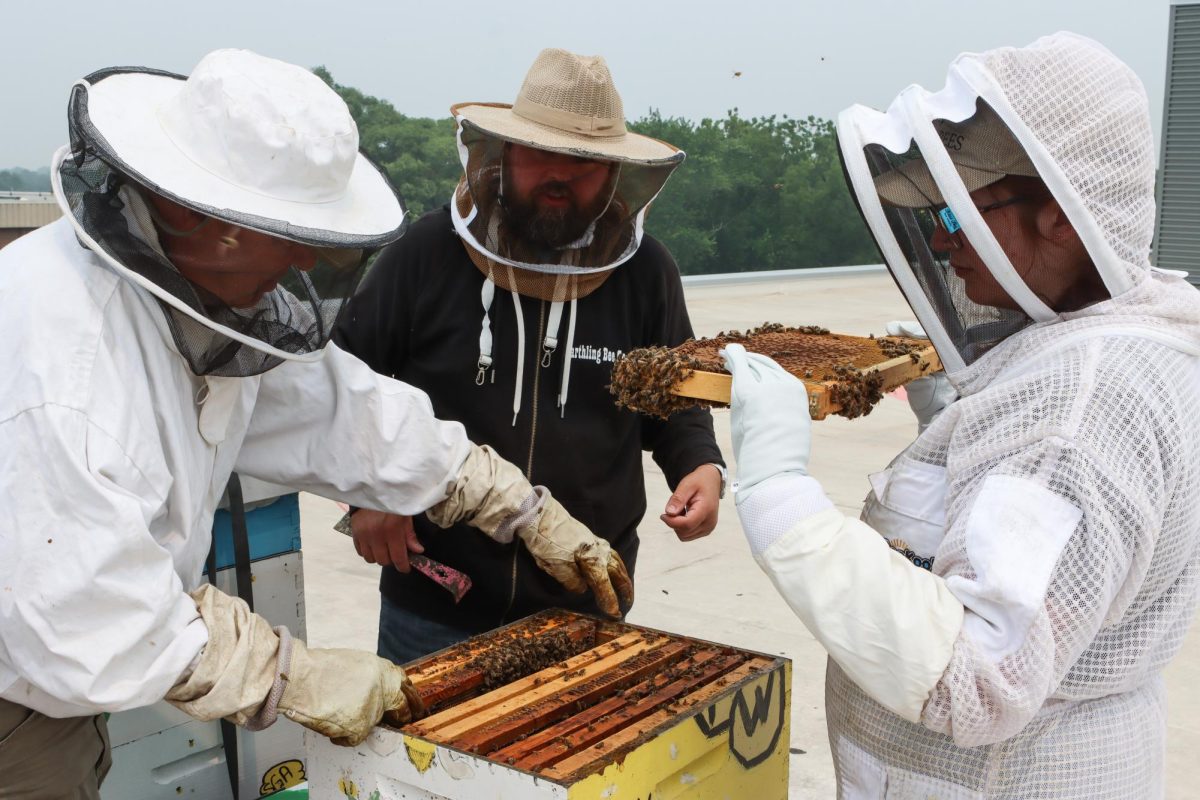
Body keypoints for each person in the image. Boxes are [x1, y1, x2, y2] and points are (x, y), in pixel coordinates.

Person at [0, 49, 630, 799]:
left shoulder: (200, 299)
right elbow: (83, 613)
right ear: (192, 210)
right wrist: (287, 672)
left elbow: (338, 407)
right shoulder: (63, 370)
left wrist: (509, 500)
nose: (304, 254)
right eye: (288, 230)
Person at [721, 33, 1200, 798]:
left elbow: (977, 674)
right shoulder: (1092, 343)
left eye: (958, 209)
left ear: (1062, 217)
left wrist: (782, 494)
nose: (942, 240)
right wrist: (953, 441)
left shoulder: (1077, 404)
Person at [334, 48, 724, 663]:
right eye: (542, 153)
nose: (560, 176)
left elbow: (675, 402)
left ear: (616, 174)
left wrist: (701, 467)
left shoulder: (646, 274)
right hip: (436, 604)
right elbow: (345, 384)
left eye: (585, 162)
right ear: (504, 153)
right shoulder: (427, 253)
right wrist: (365, 496)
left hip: (588, 602)